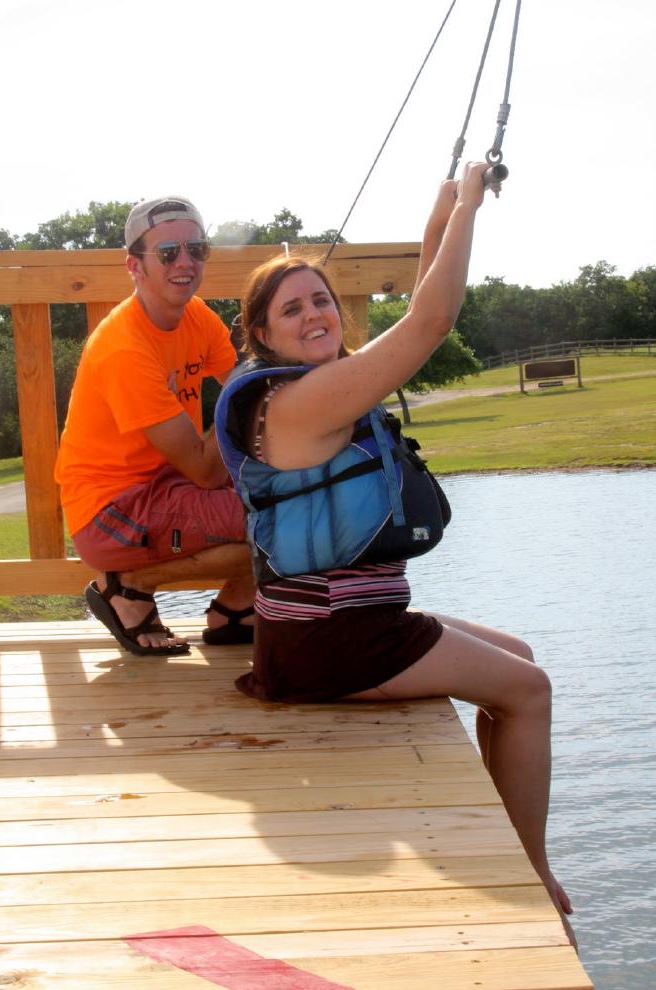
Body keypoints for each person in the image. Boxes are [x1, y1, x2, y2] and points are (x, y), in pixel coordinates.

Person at [214, 163, 576, 946]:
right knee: (531, 691)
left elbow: (418, 300)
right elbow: (431, 319)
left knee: (516, 658)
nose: (314, 315)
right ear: (262, 334)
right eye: (291, 309)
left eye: (320, 300)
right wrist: (472, 205)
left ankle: (505, 834)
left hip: (336, 628)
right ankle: (532, 873)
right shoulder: (301, 401)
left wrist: (443, 209)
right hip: (334, 641)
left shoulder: (309, 387)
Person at [55, 196, 255, 656]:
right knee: (272, 520)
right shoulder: (124, 347)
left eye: (196, 249)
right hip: (111, 509)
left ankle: (235, 609)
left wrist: (265, 372)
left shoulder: (198, 316)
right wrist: (251, 386)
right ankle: (128, 585)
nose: (185, 262)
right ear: (135, 266)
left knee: (292, 495)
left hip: (168, 483)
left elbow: (243, 383)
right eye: (167, 253)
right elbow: (207, 468)